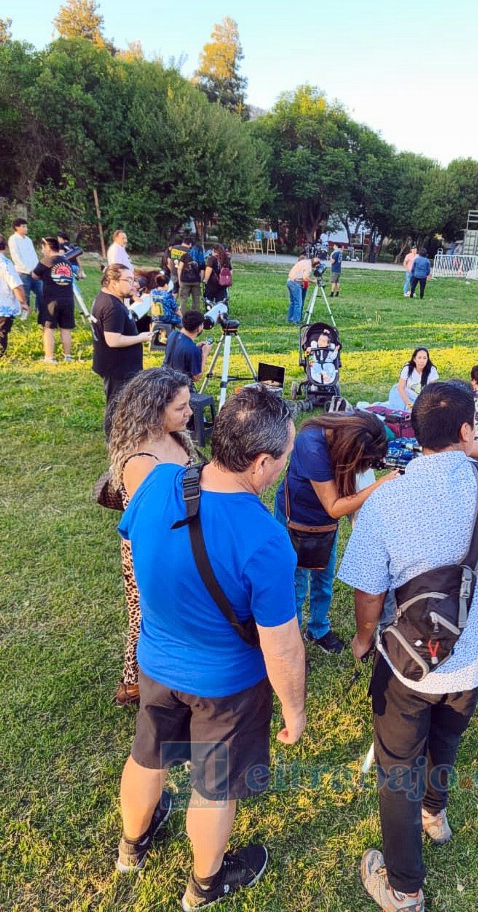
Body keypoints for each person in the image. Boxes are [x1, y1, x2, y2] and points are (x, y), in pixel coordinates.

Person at [339, 380, 478, 912]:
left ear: (414, 430)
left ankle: (405, 889)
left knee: (396, 770)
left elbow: (368, 589)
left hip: (407, 665)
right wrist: (477, 448)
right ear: (465, 430)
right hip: (474, 657)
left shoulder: (388, 498)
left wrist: (365, 639)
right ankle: (435, 813)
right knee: (447, 742)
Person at [115, 386, 305, 910]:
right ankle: (204, 884)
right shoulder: (266, 539)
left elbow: (135, 547)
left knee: (147, 757)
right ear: (262, 463)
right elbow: (283, 648)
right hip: (227, 688)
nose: (285, 466)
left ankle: (131, 848)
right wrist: (294, 708)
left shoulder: (153, 484)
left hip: (156, 664)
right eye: (284, 457)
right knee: (213, 788)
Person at [108, 367, 197, 706]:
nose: (189, 412)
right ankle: (132, 683)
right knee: (145, 615)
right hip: (152, 551)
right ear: (154, 409)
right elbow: (155, 522)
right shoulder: (141, 460)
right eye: (181, 407)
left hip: (180, 539)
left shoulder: (174, 437)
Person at [274, 412, 399, 654]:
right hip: (297, 521)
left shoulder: (352, 431)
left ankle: (318, 629)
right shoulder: (311, 445)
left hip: (324, 527)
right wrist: (379, 485)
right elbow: (334, 507)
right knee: (296, 585)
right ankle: (294, 644)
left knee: (324, 578)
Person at [91, 264, 153, 436]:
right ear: (112, 281)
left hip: (115, 364)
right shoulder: (112, 307)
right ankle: (114, 439)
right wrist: (140, 337)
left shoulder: (106, 298)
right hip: (117, 366)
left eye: (133, 279)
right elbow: (113, 340)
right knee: (116, 404)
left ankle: (123, 434)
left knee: (122, 402)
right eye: (128, 280)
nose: (133, 284)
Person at [32, 237, 75, 363]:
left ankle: (49, 357)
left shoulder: (47, 260)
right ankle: (68, 356)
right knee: (66, 328)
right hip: (68, 299)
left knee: (48, 328)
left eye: (42, 248)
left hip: (51, 300)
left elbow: (34, 275)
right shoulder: (66, 261)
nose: (42, 250)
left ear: (47, 247)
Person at [163, 310, 212, 386]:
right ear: (198, 328)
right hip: (179, 386)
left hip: (164, 379)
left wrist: (194, 347)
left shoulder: (173, 334)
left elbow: (179, 350)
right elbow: (196, 377)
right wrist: (204, 354)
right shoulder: (193, 350)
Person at [0, 233, 29, 357]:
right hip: (4, 306)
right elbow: (16, 285)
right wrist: (23, 302)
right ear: (5, 248)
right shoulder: (5, 263)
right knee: (2, 332)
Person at [8, 217, 42, 317]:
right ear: (16, 228)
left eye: (26, 226)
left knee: (41, 292)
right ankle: (24, 316)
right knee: (24, 295)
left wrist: (37, 269)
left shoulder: (28, 240)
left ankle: (40, 312)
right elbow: (16, 258)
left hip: (34, 272)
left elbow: (34, 255)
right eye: (23, 226)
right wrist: (27, 270)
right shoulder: (13, 239)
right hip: (23, 273)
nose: (26, 228)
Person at [286, 254, 318, 325]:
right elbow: (305, 277)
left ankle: (289, 319)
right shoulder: (309, 267)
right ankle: (296, 321)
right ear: (315, 265)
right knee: (298, 303)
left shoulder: (304, 261)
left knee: (293, 302)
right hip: (295, 284)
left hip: (289, 281)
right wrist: (313, 281)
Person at [176, 236, 203, 313]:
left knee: (183, 299)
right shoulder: (199, 257)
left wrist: (179, 279)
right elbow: (202, 270)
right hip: (196, 281)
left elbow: (179, 268)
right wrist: (200, 279)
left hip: (185, 280)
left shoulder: (185, 255)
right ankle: (196, 314)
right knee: (196, 299)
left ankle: (183, 315)